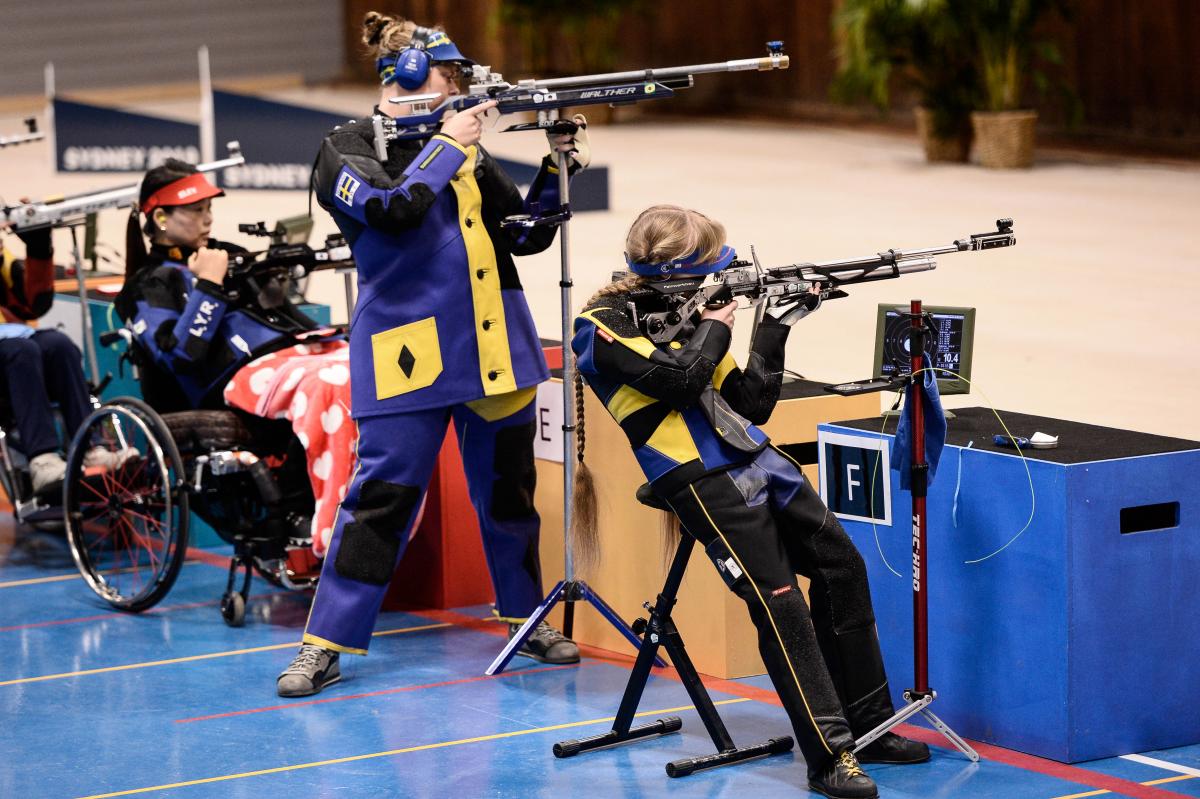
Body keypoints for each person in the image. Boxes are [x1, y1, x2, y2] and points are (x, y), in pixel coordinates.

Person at [570, 205, 930, 799]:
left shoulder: (684, 315)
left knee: (843, 568)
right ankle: (830, 757)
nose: (723, 278)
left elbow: (750, 404)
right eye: (714, 267)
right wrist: (716, 323)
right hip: (697, 478)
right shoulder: (601, 325)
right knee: (781, 602)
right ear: (677, 275)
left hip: (758, 459)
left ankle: (870, 728)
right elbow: (679, 381)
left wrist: (775, 325)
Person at [280, 11, 585, 697]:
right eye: (453, 75)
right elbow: (394, 206)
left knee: (510, 496)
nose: (465, 87)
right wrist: (448, 143)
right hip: (403, 354)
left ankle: (525, 616)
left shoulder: (464, 149)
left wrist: (558, 163)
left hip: (493, 348)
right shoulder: (345, 147)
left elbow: (522, 235)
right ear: (412, 77)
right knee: (379, 501)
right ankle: (324, 640)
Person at [114, 161, 354, 557]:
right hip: (230, 386)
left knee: (357, 363)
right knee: (325, 382)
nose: (207, 220)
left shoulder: (227, 255)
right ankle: (305, 511)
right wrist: (208, 285)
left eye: (209, 210)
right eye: (195, 211)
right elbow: (180, 357)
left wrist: (273, 286)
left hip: (289, 359)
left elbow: (281, 319)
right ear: (159, 217)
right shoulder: (147, 284)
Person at [0, 216, 125, 497]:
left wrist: (38, 248)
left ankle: (92, 447)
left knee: (59, 345)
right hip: (12, 350)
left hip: (12, 341)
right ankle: (42, 459)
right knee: (23, 351)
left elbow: (34, 305)